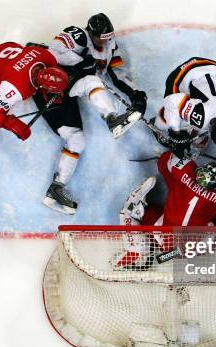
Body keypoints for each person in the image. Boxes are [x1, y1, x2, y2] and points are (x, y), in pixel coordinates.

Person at [40, 12, 148, 214]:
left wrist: (135, 93)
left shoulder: (110, 44)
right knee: (91, 83)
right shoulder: (77, 35)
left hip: (70, 90)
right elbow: (49, 57)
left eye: (108, 38)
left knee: (78, 139)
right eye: (101, 38)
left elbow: (116, 73)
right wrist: (79, 62)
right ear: (91, 32)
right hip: (49, 88)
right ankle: (113, 120)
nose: (104, 42)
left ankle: (56, 188)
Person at [115, 150, 216, 269]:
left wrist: (175, 178)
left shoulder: (186, 171)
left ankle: (138, 251)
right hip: (188, 249)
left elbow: (164, 161)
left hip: (167, 241)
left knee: (141, 212)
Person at [0, 41, 69, 141]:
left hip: (7, 48)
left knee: (8, 86)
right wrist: (11, 123)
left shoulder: (48, 57)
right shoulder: (15, 88)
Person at [152, 56, 216, 159]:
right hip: (187, 71)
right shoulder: (204, 116)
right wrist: (175, 134)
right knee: (170, 113)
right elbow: (173, 101)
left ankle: (191, 123)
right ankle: (159, 122)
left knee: (198, 115)